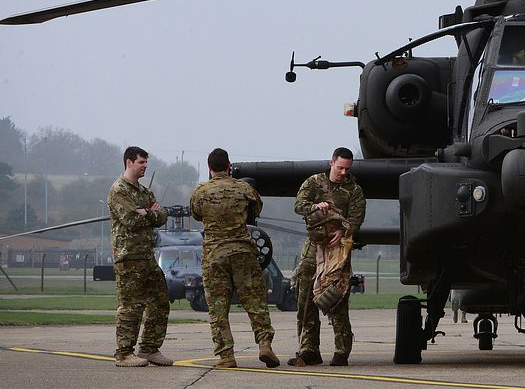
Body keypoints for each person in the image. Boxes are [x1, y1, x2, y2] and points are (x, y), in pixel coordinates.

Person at [189, 148, 280, 369]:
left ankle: (226, 355)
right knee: (255, 302)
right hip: (243, 251)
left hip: (214, 255)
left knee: (218, 309)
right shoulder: (244, 188)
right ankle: (264, 344)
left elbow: (196, 214)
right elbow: (255, 211)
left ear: (209, 168)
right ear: (229, 166)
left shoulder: (200, 192)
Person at [288, 147, 366, 367]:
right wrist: (315, 206)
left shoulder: (354, 191)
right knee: (305, 300)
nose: (343, 172)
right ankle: (308, 349)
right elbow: (298, 206)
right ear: (332, 163)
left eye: (347, 169)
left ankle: (342, 350)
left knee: (336, 299)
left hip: (337, 252)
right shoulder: (313, 182)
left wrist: (343, 231)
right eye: (340, 167)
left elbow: (356, 218)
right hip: (313, 249)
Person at [107, 146, 172, 367]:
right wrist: (147, 213)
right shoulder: (119, 190)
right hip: (128, 257)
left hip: (147, 257)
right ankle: (124, 353)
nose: (145, 166)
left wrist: (148, 212)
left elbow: (162, 216)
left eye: (146, 163)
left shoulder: (145, 192)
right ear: (129, 162)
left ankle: (149, 348)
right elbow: (131, 220)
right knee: (130, 306)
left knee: (160, 302)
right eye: (141, 162)